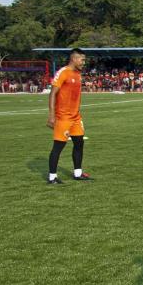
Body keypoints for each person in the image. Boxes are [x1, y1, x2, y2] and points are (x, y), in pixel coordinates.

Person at [46, 49, 91, 184]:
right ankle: (52, 177)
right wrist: (52, 115)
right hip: (63, 117)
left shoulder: (78, 74)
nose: (84, 62)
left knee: (79, 143)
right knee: (58, 146)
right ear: (74, 59)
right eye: (82, 60)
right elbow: (53, 94)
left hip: (76, 117)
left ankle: (78, 173)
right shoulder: (63, 72)